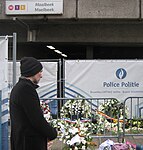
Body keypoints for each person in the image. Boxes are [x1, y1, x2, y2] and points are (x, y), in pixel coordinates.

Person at [9, 57, 57, 150]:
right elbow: (36, 119)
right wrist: (52, 133)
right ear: (32, 72)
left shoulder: (19, 88)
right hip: (28, 143)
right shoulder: (26, 90)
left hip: (22, 141)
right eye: (40, 72)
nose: (41, 75)